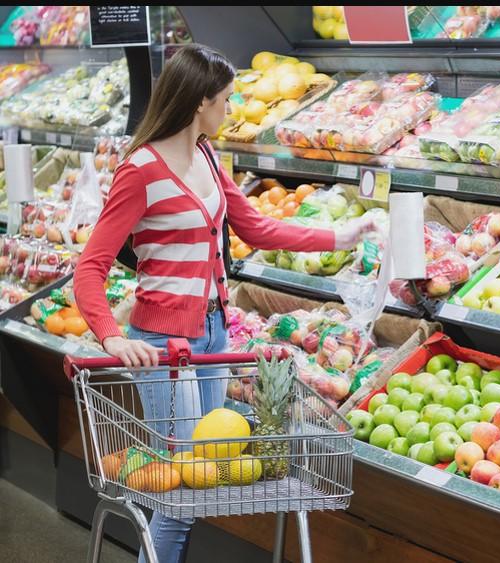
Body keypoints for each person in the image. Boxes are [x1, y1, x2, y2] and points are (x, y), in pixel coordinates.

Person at [73, 44, 375, 563]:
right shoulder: (140, 171)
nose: (232, 111)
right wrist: (112, 335)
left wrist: (340, 237)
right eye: (227, 101)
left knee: (203, 482)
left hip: (213, 339)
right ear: (199, 103)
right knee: (183, 494)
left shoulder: (209, 155)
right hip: (165, 349)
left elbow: (254, 226)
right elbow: (90, 268)